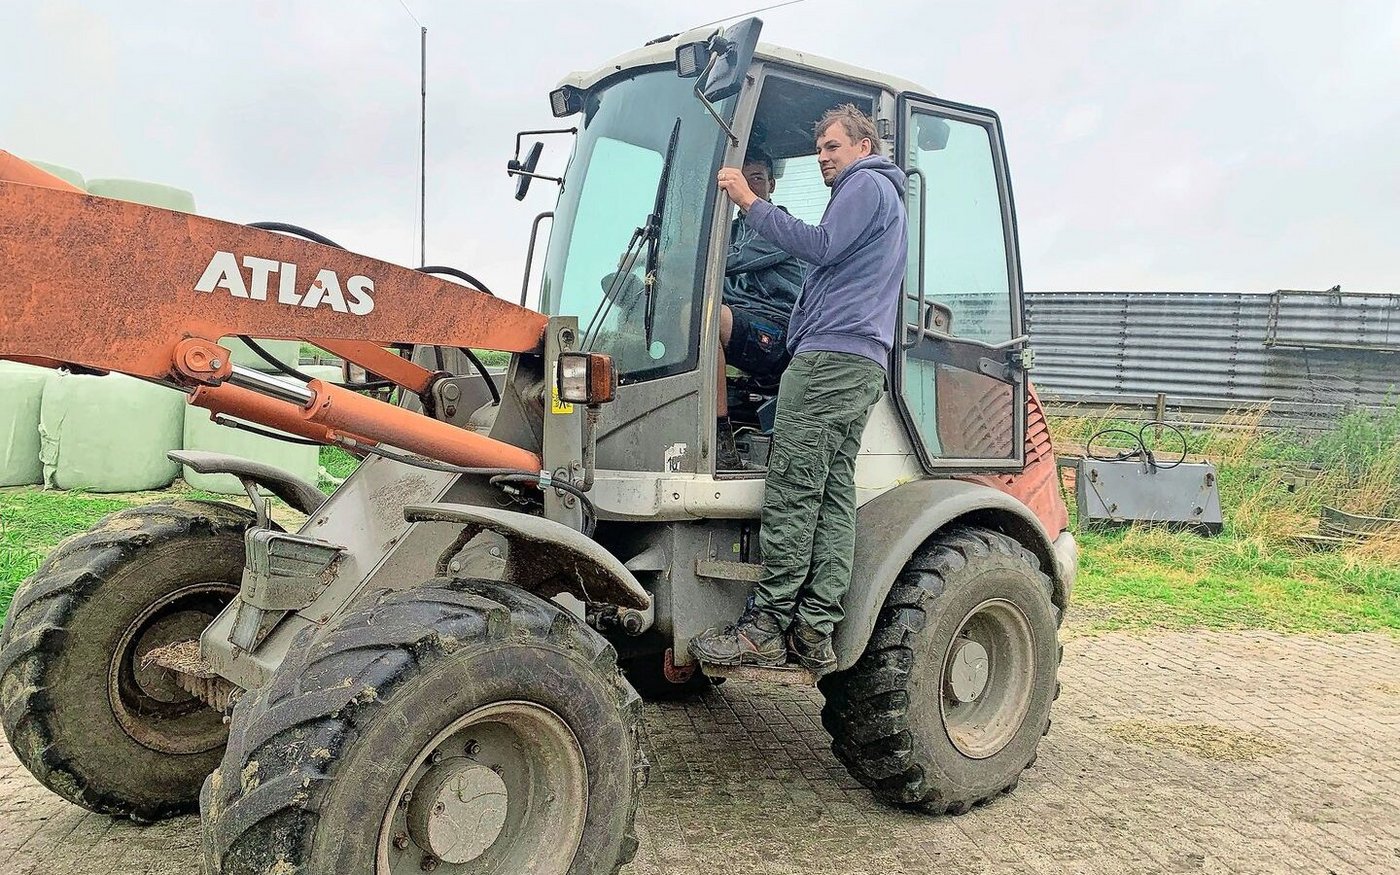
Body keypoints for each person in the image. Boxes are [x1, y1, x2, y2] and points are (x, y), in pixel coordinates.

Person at [690, 104, 908, 675]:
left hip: (830, 360)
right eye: (819, 150)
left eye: (832, 147)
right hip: (861, 363)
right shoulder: (886, 198)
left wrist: (748, 201)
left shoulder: (864, 185)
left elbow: (819, 245)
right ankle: (815, 628)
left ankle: (766, 625)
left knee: (792, 487)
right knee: (832, 494)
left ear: (863, 146)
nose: (823, 159)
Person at [716, 148, 806, 469]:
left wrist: (679, 261)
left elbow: (727, 260)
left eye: (756, 178)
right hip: (746, 326)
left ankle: (719, 437)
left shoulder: (779, 227)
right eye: (742, 179)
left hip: (782, 336)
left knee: (709, 320)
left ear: (772, 184)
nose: (748, 186)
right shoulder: (727, 232)